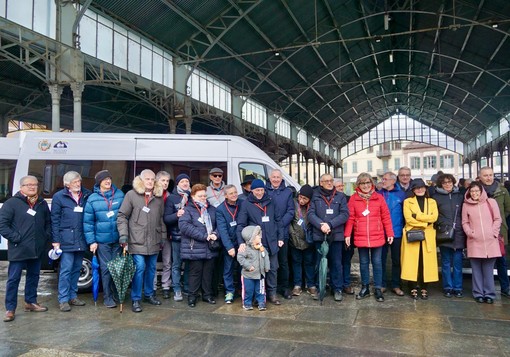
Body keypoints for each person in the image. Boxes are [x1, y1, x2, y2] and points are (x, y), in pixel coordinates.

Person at [0, 175, 51, 322]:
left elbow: (48, 222)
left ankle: (31, 302)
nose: (32, 187)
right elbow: (3, 225)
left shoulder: (41, 203)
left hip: (36, 248)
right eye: (28, 185)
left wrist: (45, 237)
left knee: (34, 276)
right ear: (21, 187)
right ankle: (10, 309)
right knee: (13, 279)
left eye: (34, 185)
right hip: (19, 248)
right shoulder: (11, 203)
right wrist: (17, 238)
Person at [117, 169, 166, 313]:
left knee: (151, 269)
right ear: (141, 180)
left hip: (154, 240)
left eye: (152, 179)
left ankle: (149, 294)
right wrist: (123, 236)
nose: (150, 182)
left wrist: (163, 237)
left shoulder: (158, 198)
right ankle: (136, 298)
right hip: (136, 240)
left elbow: (161, 219)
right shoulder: (131, 195)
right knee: (139, 268)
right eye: (147, 179)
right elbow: (122, 216)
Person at [344, 173, 394, 302]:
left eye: (367, 183)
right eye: (362, 183)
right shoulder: (354, 199)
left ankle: (378, 288)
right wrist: (347, 234)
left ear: (372, 184)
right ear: (358, 184)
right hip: (361, 236)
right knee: (364, 263)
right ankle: (365, 287)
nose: (365, 185)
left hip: (377, 236)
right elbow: (350, 218)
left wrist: (390, 233)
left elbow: (386, 217)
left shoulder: (379, 198)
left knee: (377, 263)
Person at [236, 179, 283, 305]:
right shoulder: (246, 204)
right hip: (256, 244)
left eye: (262, 190)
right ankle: (258, 296)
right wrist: (241, 241)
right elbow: (241, 224)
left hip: (272, 241)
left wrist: (281, 238)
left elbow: (278, 221)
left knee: (272, 269)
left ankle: (272, 294)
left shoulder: (271, 201)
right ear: (252, 190)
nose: (260, 192)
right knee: (257, 270)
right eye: (257, 190)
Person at [84, 170, 125, 308]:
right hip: (102, 241)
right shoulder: (92, 198)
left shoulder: (119, 195)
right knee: (106, 269)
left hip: (118, 240)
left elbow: (125, 216)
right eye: (104, 179)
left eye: (109, 179)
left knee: (117, 269)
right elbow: (88, 223)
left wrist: (125, 237)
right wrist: (91, 241)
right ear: (99, 182)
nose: (108, 181)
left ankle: (116, 294)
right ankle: (107, 297)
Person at [51, 171, 91, 312]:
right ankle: (63, 299)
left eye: (79, 181)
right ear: (67, 184)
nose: (78, 184)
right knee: (65, 270)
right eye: (74, 182)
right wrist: (56, 241)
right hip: (66, 239)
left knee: (76, 269)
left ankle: (73, 296)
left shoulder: (85, 195)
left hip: (81, 238)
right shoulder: (59, 197)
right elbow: (54, 220)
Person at [308, 173, 349, 302]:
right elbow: (310, 214)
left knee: (336, 263)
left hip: (336, 236)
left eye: (331, 180)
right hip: (320, 236)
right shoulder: (315, 196)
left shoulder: (340, 196)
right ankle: (321, 288)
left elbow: (344, 214)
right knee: (320, 263)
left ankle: (337, 289)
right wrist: (321, 225)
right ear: (321, 183)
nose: (329, 183)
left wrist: (330, 224)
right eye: (326, 181)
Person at [179, 183, 219, 307]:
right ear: (193, 196)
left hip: (210, 247)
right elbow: (184, 226)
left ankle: (207, 295)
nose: (203, 198)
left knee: (208, 273)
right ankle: (192, 296)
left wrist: (215, 234)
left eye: (204, 195)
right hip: (194, 246)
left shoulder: (212, 209)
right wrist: (203, 236)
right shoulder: (188, 209)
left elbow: (219, 225)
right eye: (200, 195)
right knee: (195, 273)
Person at [462, 181, 502, 303]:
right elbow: (465, 222)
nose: (474, 193)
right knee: (476, 269)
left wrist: (493, 232)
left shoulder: (491, 202)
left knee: (488, 270)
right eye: (472, 191)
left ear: (481, 191)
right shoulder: (466, 205)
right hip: (474, 241)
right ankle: (478, 293)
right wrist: (470, 233)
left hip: (490, 241)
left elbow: (497, 218)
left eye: (477, 191)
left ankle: (489, 294)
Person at [401, 179, 439, 300]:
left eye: (422, 187)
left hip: (428, 235)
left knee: (425, 262)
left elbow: (434, 217)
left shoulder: (432, 201)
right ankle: (412, 286)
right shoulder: (408, 201)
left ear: (426, 188)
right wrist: (424, 223)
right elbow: (408, 219)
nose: (420, 189)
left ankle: (424, 287)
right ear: (413, 190)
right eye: (417, 188)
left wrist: (417, 216)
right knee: (412, 262)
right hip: (413, 233)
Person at [431, 173, 466, 298]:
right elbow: (434, 214)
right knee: (446, 262)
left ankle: (457, 287)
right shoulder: (435, 197)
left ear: (453, 182)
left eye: (450, 182)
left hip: (459, 232)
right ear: (441, 184)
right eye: (445, 182)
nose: (447, 184)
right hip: (444, 233)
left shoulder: (460, 196)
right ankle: (447, 287)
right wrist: (441, 224)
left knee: (457, 263)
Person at [478, 166, 510, 298]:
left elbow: (507, 210)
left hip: (499, 232)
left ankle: (505, 287)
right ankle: (485, 288)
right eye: (485, 175)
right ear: (480, 177)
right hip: (481, 232)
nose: (489, 177)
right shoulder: (475, 191)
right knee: (483, 261)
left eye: (490, 175)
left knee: (501, 260)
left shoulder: (502, 191)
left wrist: (498, 222)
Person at [265, 169, 294, 300]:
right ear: (269, 178)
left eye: (278, 177)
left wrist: (280, 224)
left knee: (283, 262)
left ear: (282, 179)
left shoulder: (287, 192)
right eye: (273, 177)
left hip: (282, 232)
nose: (276, 179)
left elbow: (291, 211)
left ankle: (284, 287)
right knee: (268, 262)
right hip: (267, 233)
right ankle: (269, 289)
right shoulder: (264, 191)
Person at [377, 171, 406, 296]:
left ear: (393, 181)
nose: (383, 181)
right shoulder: (378, 194)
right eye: (383, 179)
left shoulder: (401, 195)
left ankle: (396, 284)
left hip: (397, 232)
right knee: (380, 259)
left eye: (385, 179)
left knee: (396, 260)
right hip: (380, 232)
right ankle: (382, 284)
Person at [164, 173, 191, 302]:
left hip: (190, 236)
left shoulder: (192, 197)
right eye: (182, 181)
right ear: (178, 184)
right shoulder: (172, 198)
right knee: (176, 264)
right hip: (177, 236)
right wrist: (177, 214)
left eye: (187, 181)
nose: (185, 183)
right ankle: (176, 288)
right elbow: (166, 218)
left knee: (189, 264)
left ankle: (186, 286)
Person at [288, 184, 316, 297]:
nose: (302, 200)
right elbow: (289, 222)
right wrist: (293, 235)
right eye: (301, 197)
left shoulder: (312, 207)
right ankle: (297, 285)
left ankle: (310, 284)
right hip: (294, 240)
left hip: (308, 241)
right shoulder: (293, 204)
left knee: (309, 263)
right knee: (296, 263)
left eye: (305, 198)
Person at [216, 184, 242, 304]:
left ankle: (243, 289)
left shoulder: (242, 204)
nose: (234, 195)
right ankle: (229, 291)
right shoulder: (220, 209)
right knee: (228, 269)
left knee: (244, 267)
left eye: (235, 192)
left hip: (242, 242)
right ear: (225, 195)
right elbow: (222, 230)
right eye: (231, 193)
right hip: (229, 243)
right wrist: (229, 247)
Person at [238, 225, 270, 311]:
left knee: (261, 290)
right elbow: (240, 257)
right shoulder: (246, 249)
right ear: (251, 238)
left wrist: (266, 267)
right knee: (248, 290)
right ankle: (247, 303)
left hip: (260, 274)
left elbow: (266, 257)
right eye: (257, 235)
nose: (260, 237)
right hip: (248, 275)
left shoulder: (261, 248)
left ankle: (261, 303)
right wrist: (248, 266)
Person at [334, 178, 355, 295]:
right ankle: (337, 284)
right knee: (336, 262)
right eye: (338, 186)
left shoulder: (349, 199)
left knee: (346, 260)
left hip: (348, 235)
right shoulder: (331, 199)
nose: (341, 188)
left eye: (342, 185)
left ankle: (346, 284)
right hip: (336, 235)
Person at [155, 171, 172, 298]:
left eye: (167, 181)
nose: (165, 183)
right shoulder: (153, 196)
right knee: (153, 262)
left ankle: (166, 285)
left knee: (167, 261)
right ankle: (153, 286)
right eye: (163, 180)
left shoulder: (170, 196)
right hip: (154, 233)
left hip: (167, 234)